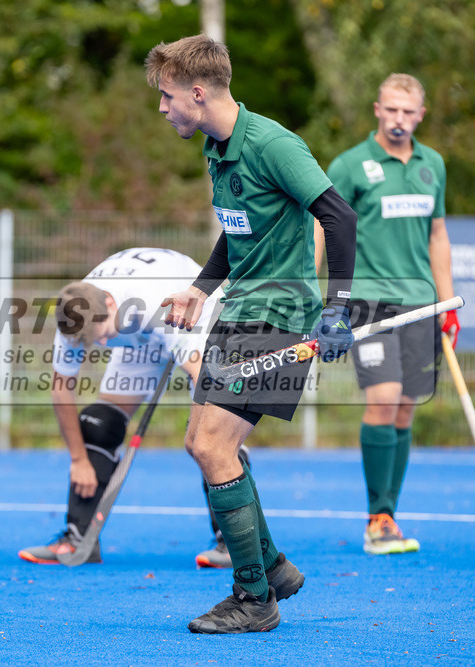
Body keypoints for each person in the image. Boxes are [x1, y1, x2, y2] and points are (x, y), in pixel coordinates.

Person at [147, 35, 358, 634]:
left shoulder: (272, 144)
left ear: (197, 91)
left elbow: (338, 216)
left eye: (166, 98)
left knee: (214, 448)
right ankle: (271, 566)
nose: (162, 109)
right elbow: (237, 229)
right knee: (201, 443)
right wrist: (200, 287)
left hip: (280, 317)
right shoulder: (217, 147)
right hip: (239, 312)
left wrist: (338, 309)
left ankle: (254, 598)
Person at [16, 247, 250, 569]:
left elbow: (202, 377)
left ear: (110, 304)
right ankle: (78, 537)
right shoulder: (74, 314)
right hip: (138, 336)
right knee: (98, 423)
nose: (98, 345)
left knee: (210, 435)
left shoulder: (153, 298)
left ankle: (234, 541)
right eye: (90, 342)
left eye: (101, 336)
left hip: (192, 311)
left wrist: (217, 436)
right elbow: (61, 391)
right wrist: (78, 459)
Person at [315, 73, 457, 555]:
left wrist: (447, 303)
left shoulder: (432, 164)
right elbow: (325, 227)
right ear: (377, 109)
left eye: (407, 112)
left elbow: (438, 236)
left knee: (405, 405)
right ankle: (377, 519)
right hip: (368, 302)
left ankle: (389, 513)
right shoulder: (351, 165)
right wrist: (326, 298)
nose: (398, 119)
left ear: (421, 115)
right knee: (384, 397)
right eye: (390, 110)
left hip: (422, 301)